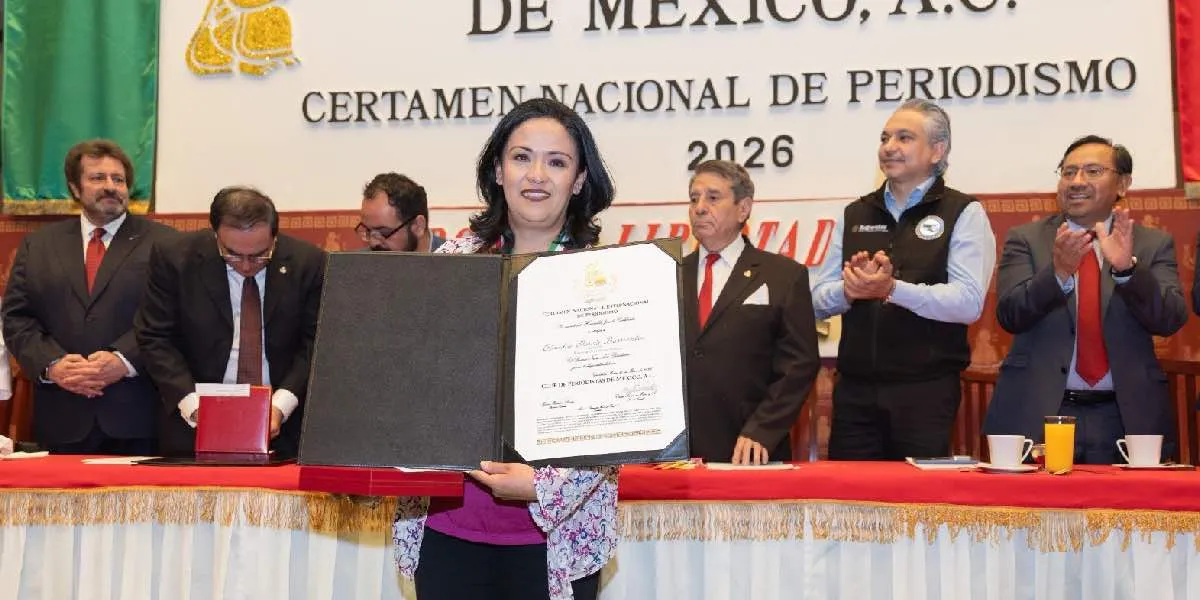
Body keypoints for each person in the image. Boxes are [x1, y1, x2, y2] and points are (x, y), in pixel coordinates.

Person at [392, 98, 617, 600]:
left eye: (556, 162)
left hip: (554, 537)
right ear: (498, 170)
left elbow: (618, 415)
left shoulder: (605, 280)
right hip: (447, 528)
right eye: (521, 157)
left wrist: (544, 486)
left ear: (579, 179)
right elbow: (409, 382)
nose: (536, 175)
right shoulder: (449, 264)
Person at [810, 99, 996, 460]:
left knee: (916, 494)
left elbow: (968, 302)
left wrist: (892, 289)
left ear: (937, 151)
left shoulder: (963, 212)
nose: (889, 147)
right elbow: (816, 299)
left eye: (904, 138)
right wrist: (850, 290)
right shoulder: (855, 213)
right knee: (850, 493)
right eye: (885, 138)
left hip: (925, 393)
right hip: (855, 393)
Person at [984, 135, 1187, 463]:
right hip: (1041, 411)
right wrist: (1058, 274)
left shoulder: (1151, 243)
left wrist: (1127, 271)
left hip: (1124, 416)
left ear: (1122, 184)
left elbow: (1170, 319)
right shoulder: (1027, 239)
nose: (1077, 181)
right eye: (1069, 172)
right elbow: (1009, 314)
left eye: (1093, 171)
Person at [2, 139, 177, 454]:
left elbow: (175, 314)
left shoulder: (166, 243)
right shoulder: (38, 245)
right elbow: (17, 318)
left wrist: (124, 360)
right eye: (98, 178)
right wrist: (53, 364)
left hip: (140, 415)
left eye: (118, 179)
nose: (110, 186)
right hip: (62, 416)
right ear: (75, 187)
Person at [135, 187, 326, 457]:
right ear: (216, 235)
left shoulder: (309, 262)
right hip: (192, 425)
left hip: (286, 428)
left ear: (274, 236)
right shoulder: (175, 258)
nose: (246, 266)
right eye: (233, 254)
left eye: (260, 255)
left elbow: (316, 342)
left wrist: (280, 406)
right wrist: (195, 407)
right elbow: (154, 337)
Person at [683, 159, 819, 464]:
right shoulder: (668, 272)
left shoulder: (783, 275)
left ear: (743, 208)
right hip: (677, 455)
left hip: (749, 448)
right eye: (694, 199)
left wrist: (763, 429)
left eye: (713, 198)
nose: (700, 208)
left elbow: (799, 364)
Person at [357, 172, 445, 252]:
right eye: (368, 231)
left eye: (384, 232)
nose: (373, 243)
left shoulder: (452, 260)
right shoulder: (356, 262)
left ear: (418, 226)